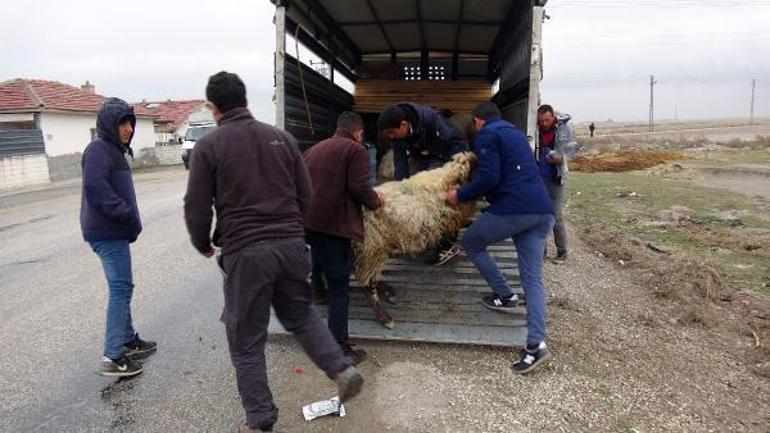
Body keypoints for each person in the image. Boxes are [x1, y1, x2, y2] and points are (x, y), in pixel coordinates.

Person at [183, 71, 363, 432]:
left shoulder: (209, 147)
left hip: (247, 252)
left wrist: (202, 242)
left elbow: (197, 206)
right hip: (292, 244)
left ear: (213, 108)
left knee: (246, 339)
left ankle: (261, 419)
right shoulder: (281, 139)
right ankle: (341, 370)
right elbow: (306, 195)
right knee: (302, 315)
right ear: (246, 101)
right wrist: (290, 229)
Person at [446, 102, 555, 374]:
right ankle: (536, 346)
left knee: (472, 242)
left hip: (514, 208)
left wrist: (458, 195)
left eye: (474, 124)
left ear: (479, 121)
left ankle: (505, 294)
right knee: (532, 279)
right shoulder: (517, 134)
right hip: (542, 209)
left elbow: (490, 178)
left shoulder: (487, 135)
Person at [81, 97, 157, 378]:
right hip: (107, 232)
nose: (128, 129)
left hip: (114, 232)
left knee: (123, 286)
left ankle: (128, 340)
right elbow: (94, 187)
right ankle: (112, 356)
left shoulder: (114, 150)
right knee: (121, 288)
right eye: (122, 123)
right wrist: (123, 212)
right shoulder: (99, 149)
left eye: (130, 123)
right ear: (109, 125)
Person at [303, 111, 383, 365]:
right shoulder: (355, 150)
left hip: (310, 223)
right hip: (334, 226)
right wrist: (376, 202)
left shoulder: (314, 149)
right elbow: (359, 186)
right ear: (358, 132)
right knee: (340, 287)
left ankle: (317, 291)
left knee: (319, 261)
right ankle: (338, 349)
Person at [378, 103, 468, 266]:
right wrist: (401, 189)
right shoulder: (398, 134)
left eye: (392, 132)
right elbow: (400, 162)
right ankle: (422, 232)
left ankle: (447, 244)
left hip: (444, 154)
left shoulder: (433, 121)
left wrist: (454, 173)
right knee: (410, 188)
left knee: (439, 196)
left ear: (404, 125)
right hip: (420, 155)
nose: (391, 137)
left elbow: (458, 144)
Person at [537, 104, 577, 263]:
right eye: (541, 121)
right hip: (539, 179)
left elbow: (571, 151)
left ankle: (562, 252)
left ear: (553, 116)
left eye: (547, 120)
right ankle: (542, 250)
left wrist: (561, 158)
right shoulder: (535, 129)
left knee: (556, 216)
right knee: (540, 216)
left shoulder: (563, 130)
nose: (544, 123)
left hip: (556, 179)